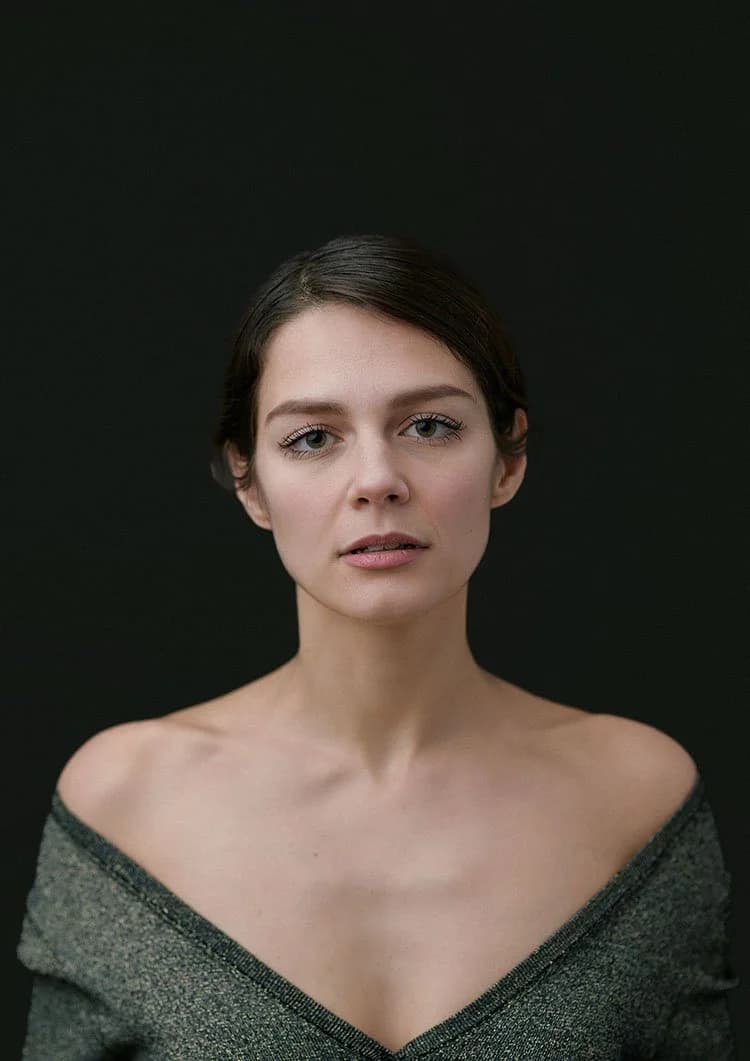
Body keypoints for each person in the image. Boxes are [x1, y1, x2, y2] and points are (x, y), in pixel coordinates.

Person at [17, 233, 739, 1058]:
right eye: (312, 438)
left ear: (509, 459)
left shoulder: (636, 798)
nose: (377, 479)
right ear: (249, 481)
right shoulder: (126, 802)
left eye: (429, 425)